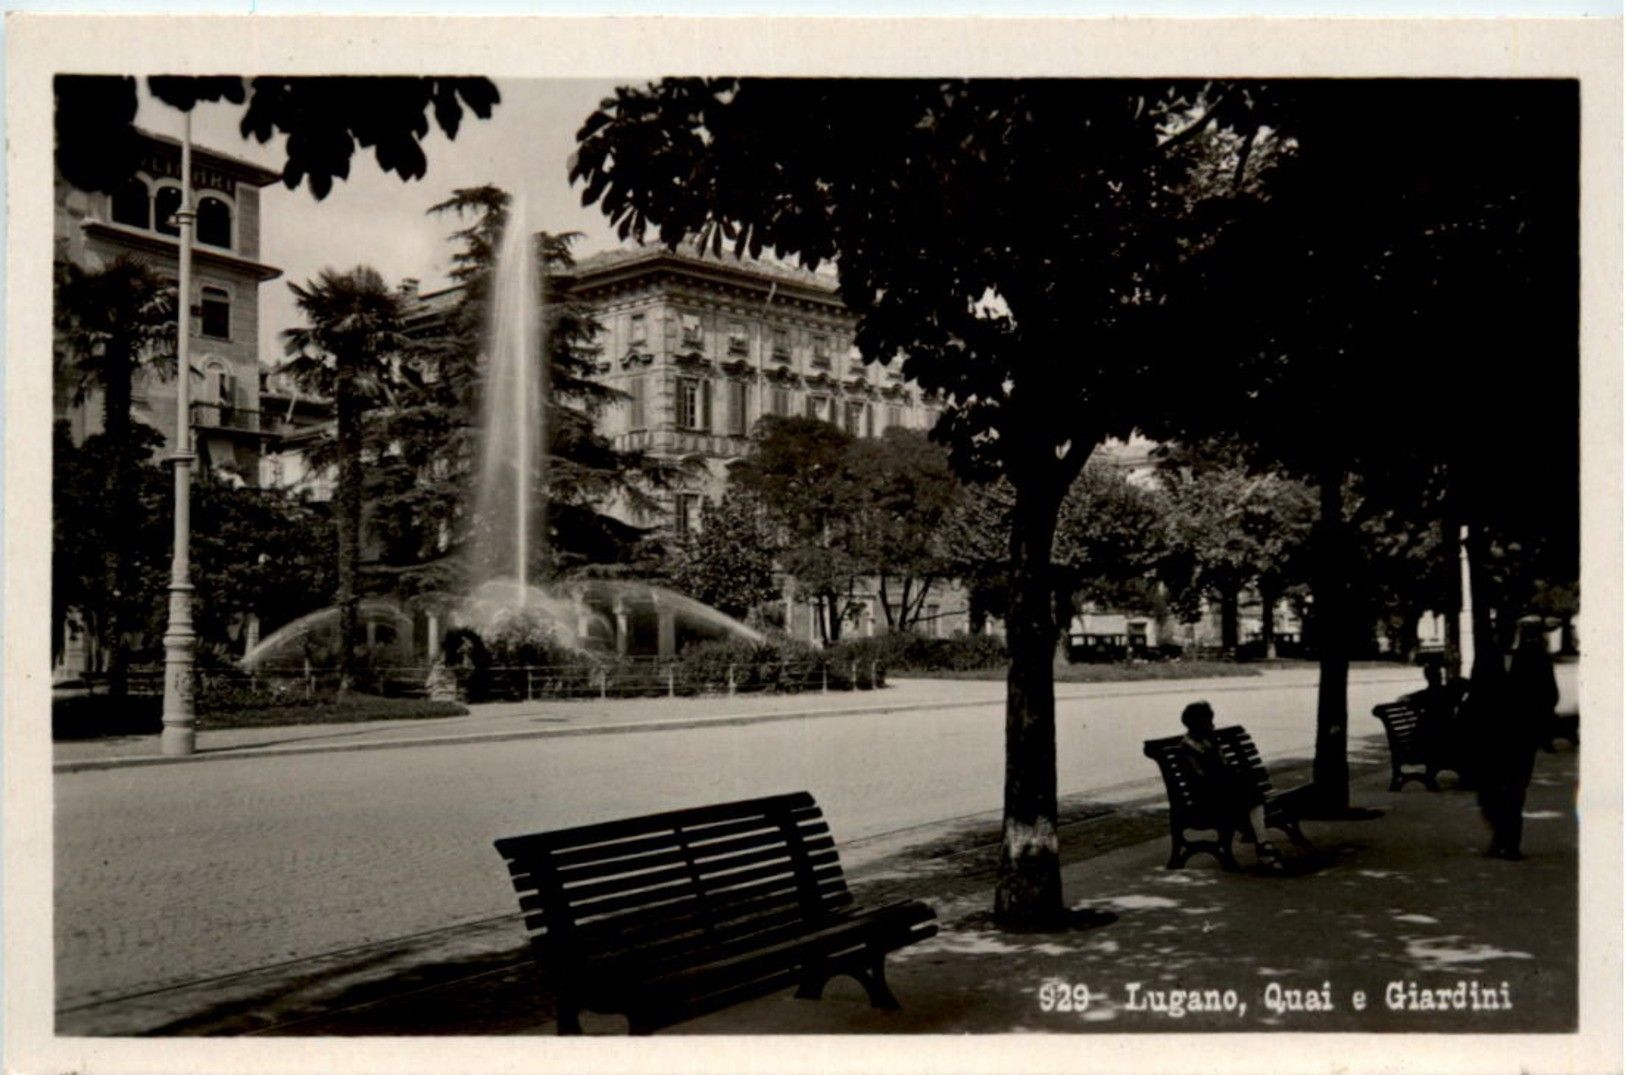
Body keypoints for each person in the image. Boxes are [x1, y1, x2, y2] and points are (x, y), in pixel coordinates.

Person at [1471, 624, 1554, 860]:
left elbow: (1549, 694)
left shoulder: (1536, 657)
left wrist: (1536, 726)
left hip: (1521, 736)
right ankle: (1499, 835)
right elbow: (1477, 693)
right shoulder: (1487, 656)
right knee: (1488, 790)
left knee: (1515, 789)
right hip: (1490, 737)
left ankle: (1511, 843)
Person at [1177, 701, 1282, 870]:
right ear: (1196, 724)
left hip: (1222, 794)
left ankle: (1263, 845)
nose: (1212, 726)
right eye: (1208, 722)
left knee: (1250, 791)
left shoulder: (1208, 741)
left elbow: (1223, 767)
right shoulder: (1186, 749)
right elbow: (1201, 780)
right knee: (1250, 793)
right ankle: (1263, 846)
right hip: (1207, 800)